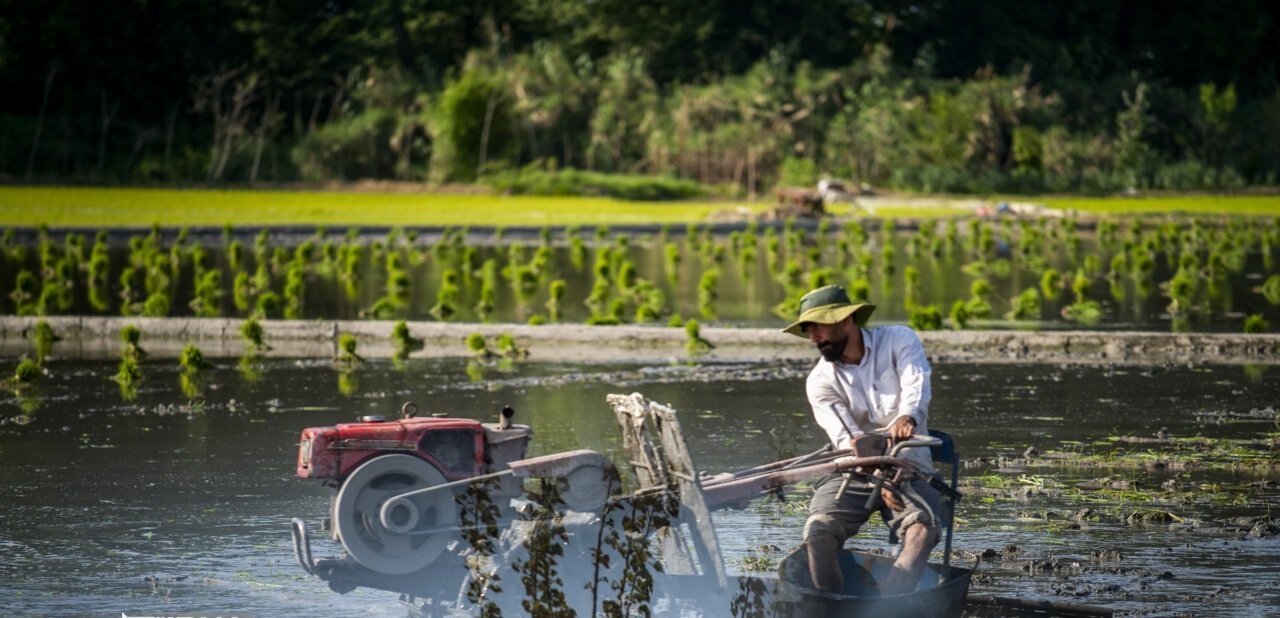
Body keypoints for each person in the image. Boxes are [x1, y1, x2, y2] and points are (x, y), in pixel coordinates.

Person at [781, 284, 944, 596]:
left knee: (921, 532)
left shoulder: (898, 340)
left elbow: (916, 384)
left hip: (910, 467)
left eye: (819, 327)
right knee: (818, 533)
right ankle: (835, 610)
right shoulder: (820, 381)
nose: (814, 338)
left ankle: (886, 610)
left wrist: (907, 416)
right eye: (809, 330)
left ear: (846, 321)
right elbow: (848, 441)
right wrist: (880, 479)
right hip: (852, 470)